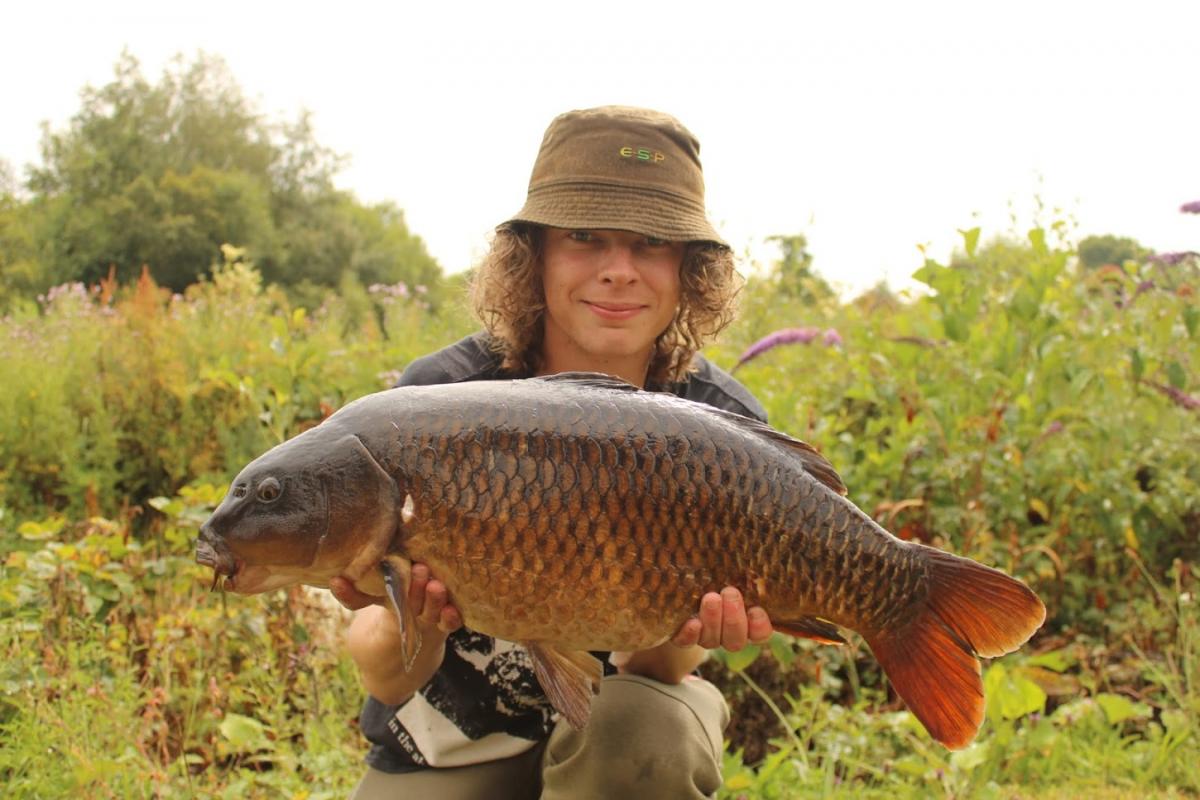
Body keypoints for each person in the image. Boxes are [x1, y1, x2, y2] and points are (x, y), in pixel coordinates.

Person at [330, 105, 774, 799]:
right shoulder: (435, 402)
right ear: (532, 253)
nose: (618, 271)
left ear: (691, 269)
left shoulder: (720, 426)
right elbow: (386, 675)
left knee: (644, 738)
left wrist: (694, 622)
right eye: (584, 237)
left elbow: (661, 667)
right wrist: (408, 622)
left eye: (652, 243)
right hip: (451, 743)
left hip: (620, 726)